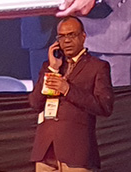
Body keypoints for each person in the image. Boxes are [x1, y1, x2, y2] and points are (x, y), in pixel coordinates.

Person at [29, 16, 114, 172]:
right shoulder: (50, 66)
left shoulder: (97, 67)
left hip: (76, 152)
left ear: (83, 37)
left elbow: (105, 106)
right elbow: (35, 103)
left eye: (71, 35)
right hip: (46, 151)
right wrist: (53, 69)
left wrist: (68, 90)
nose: (66, 40)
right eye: (62, 36)